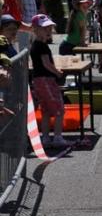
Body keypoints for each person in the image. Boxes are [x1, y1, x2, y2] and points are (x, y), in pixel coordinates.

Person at [30, 14, 70, 148]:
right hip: (45, 80)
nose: (48, 31)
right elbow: (46, 63)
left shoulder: (38, 44)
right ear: (35, 29)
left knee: (46, 110)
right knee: (59, 108)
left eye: (49, 28)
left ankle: (46, 138)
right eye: (44, 28)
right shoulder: (41, 46)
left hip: (38, 80)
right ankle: (57, 137)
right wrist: (57, 72)